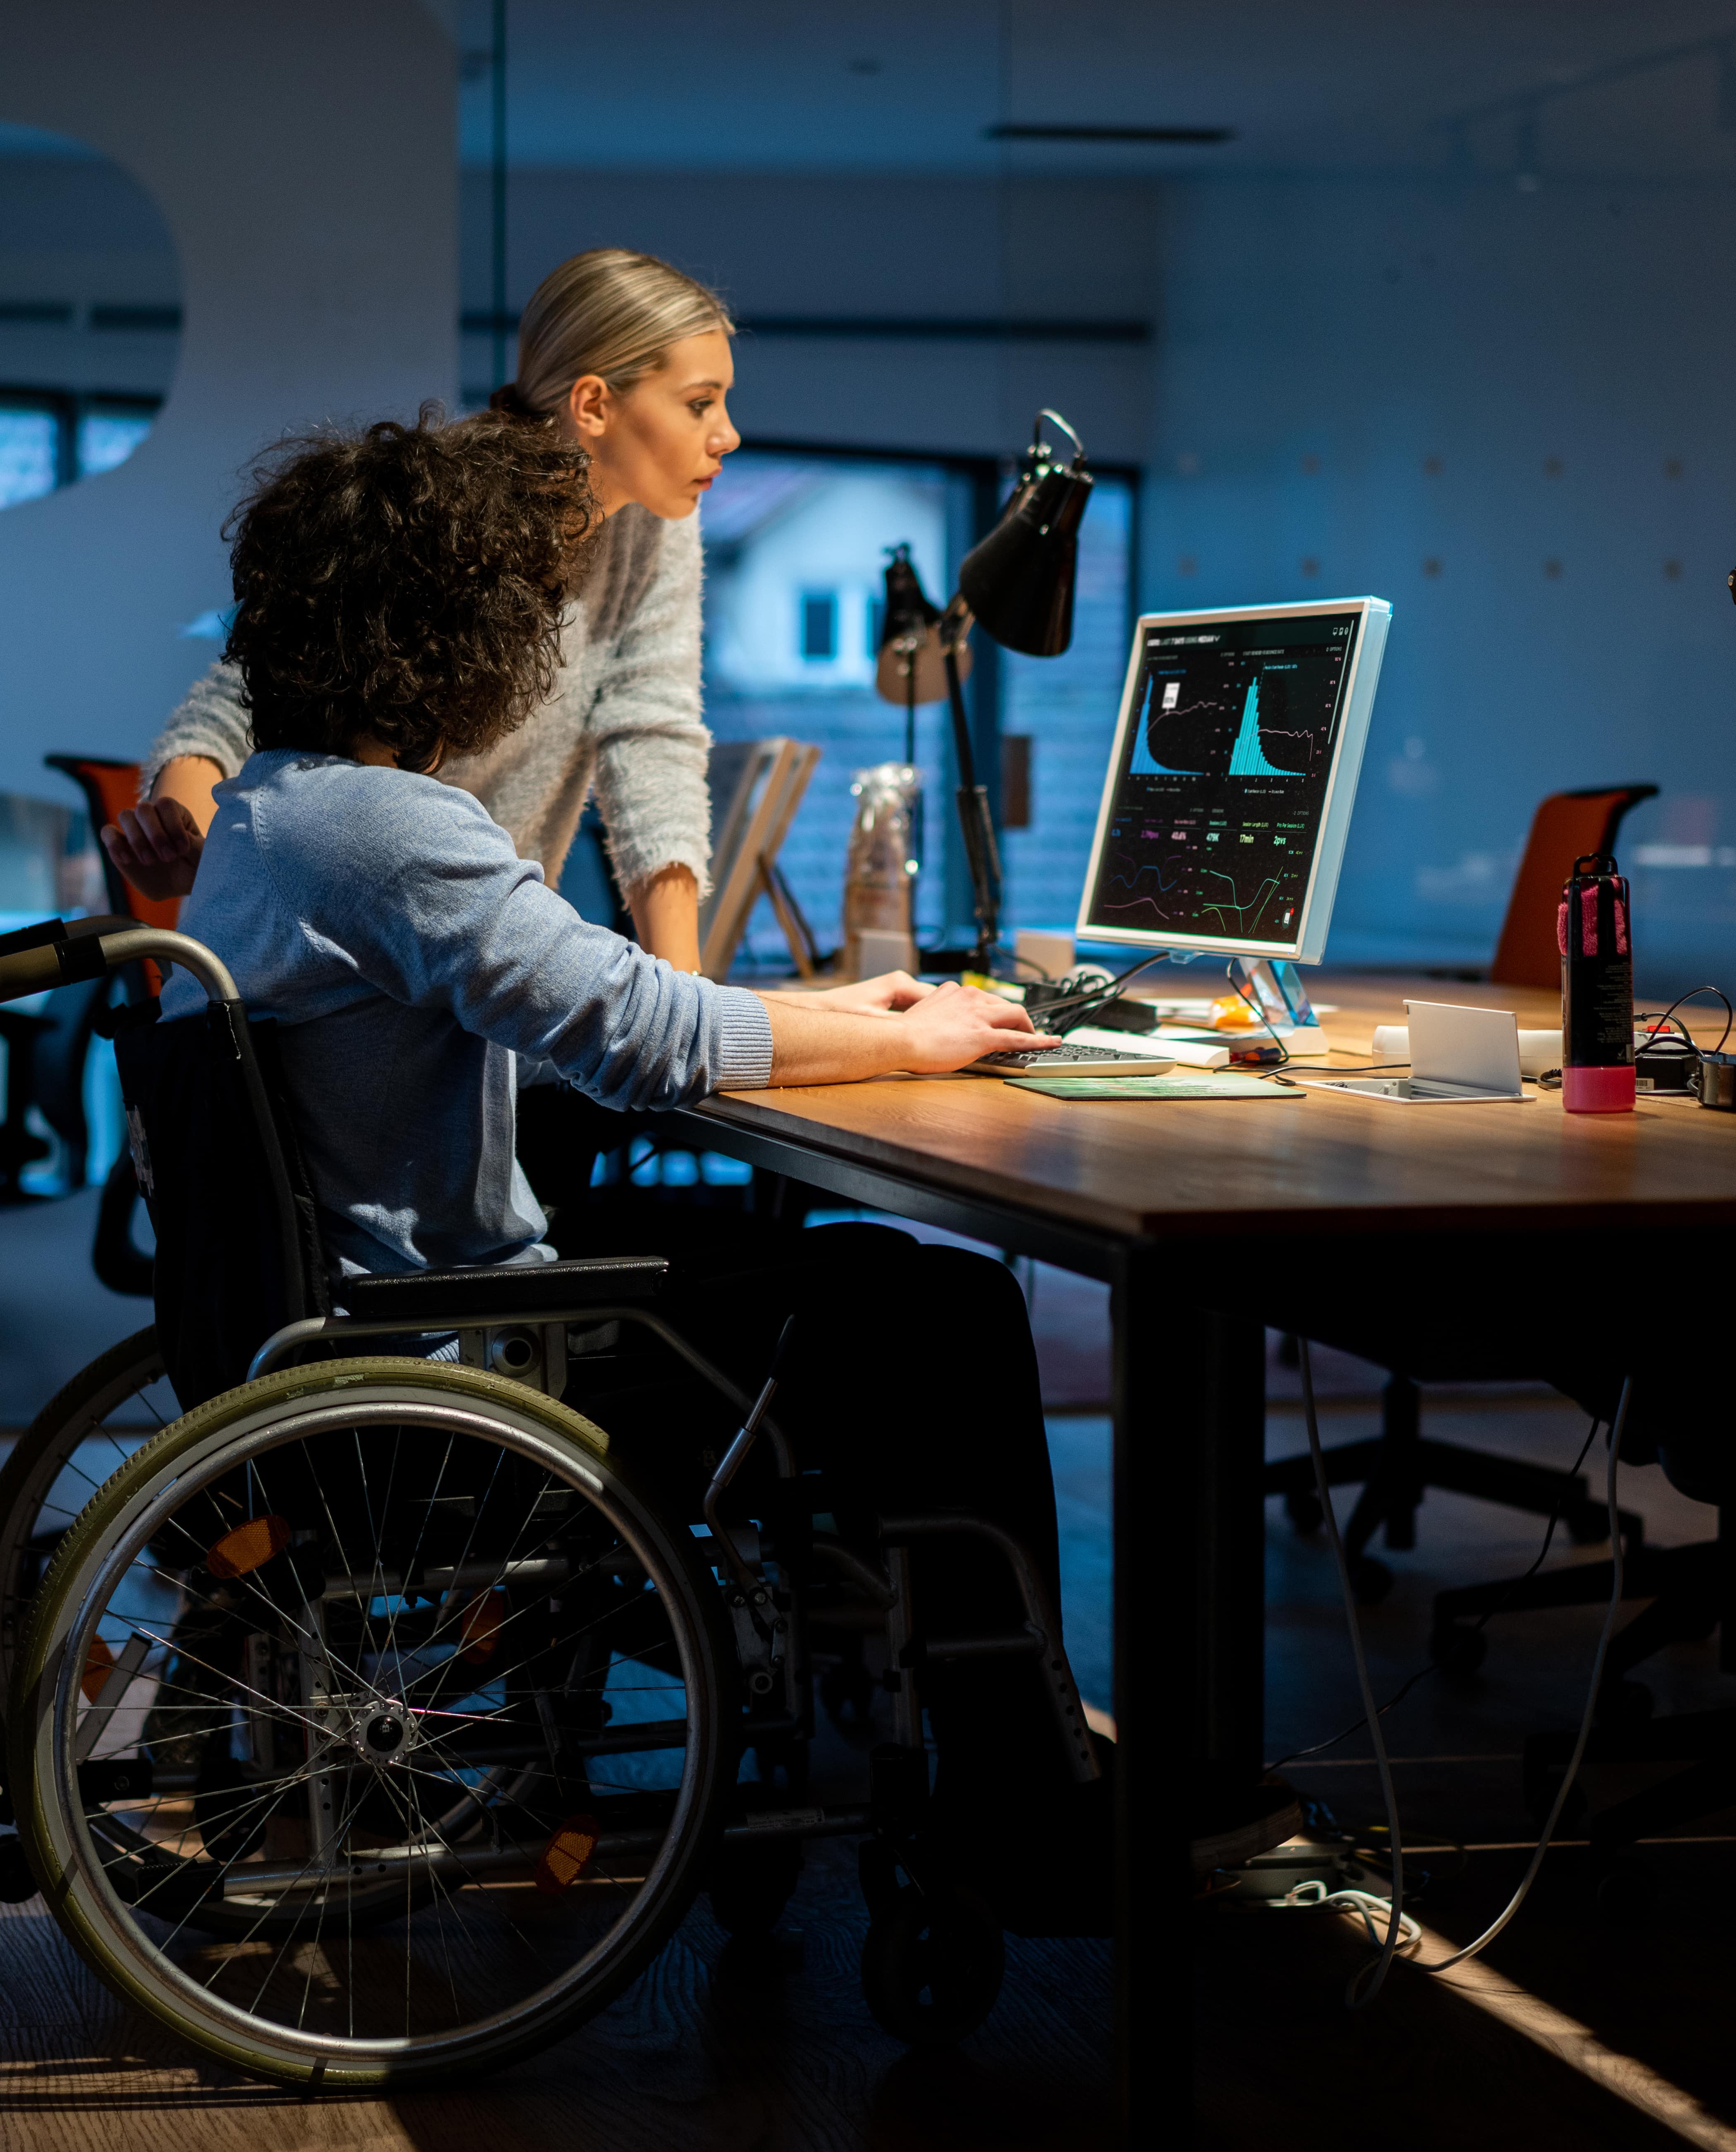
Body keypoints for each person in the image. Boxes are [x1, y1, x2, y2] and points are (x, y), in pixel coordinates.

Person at [160, 402, 1134, 1882]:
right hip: (471, 1360)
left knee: (846, 1274)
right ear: (456, 636)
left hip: (358, 1335)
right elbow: (643, 1043)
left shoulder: (272, 818)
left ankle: (939, 1733)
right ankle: (1019, 1805)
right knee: (933, 1306)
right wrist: (906, 1038)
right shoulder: (393, 830)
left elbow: (606, 1000)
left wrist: (823, 1011)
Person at [108, 247, 738, 976]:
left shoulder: (656, 524)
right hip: (333, 961)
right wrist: (190, 841)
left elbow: (650, 736)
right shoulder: (436, 505)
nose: (727, 433)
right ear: (593, 404)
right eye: (700, 403)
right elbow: (247, 692)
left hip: (468, 959)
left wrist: (687, 995)